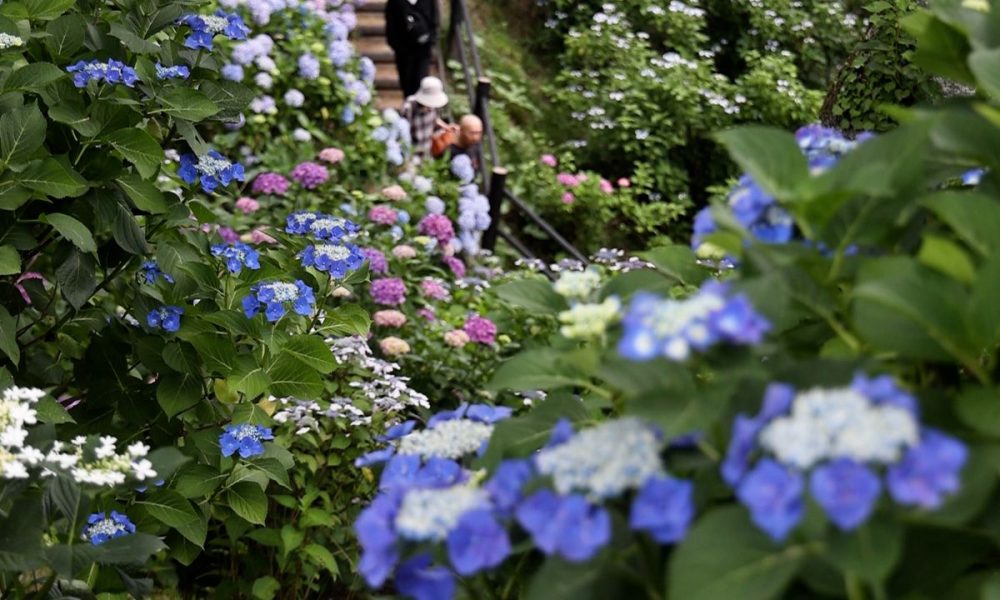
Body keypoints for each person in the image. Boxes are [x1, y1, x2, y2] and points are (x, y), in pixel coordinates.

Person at [385, 0, 439, 98]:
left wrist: (430, 40)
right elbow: (391, 26)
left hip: (423, 50)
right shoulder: (395, 2)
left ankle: (420, 107)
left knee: (421, 80)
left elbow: (434, 21)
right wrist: (397, 46)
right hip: (404, 52)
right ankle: (409, 107)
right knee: (407, 83)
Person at [400, 76, 450, 161]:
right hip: (412, 153)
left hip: (427, 152)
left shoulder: (435, 106)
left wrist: (446, 127)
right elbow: (402, 131)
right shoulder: (409, 107)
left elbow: (434, 120)